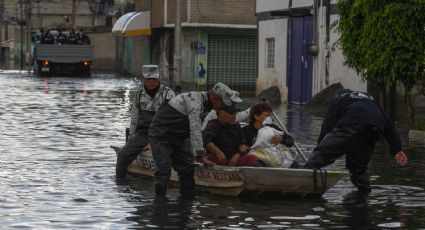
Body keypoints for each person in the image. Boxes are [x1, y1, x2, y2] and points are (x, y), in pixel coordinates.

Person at [303, 88, 408, 193]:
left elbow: (328, 123)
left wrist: (321, 145)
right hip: (372, 131)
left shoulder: (339, 98)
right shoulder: (371, 101)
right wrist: (397, 150)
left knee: (319, 157)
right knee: (359, 170)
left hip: (349, 127)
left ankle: (300, 180)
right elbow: (389, 126)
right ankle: (364, 197)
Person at [149, 82, 243, 196]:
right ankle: (159, 205)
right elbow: (195, 130)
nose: (224, 107)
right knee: (164, 169)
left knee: (187, 169)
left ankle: (186, 203)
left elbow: (198, 131)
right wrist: (200, 155)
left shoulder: (206, 104)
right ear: (215, 98)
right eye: (223, 103)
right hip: (160, 135)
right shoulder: (195, 102)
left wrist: (199, 152)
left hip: (179, 136)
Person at [116, 65, 175, 180]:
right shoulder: (138, 94)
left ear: (159, 78)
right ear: (143, 79)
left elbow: (173, 119)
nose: (151, 82)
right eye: (149, 79)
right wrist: (131, 138)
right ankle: (120, 185)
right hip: (143, 133)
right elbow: (134, 118)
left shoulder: (168, 94)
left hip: (162, 133)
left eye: (154, 79)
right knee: (123, 155)